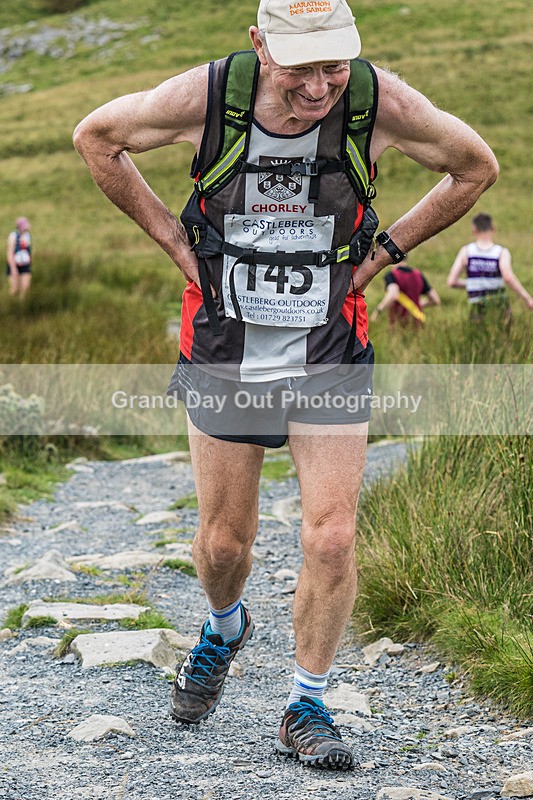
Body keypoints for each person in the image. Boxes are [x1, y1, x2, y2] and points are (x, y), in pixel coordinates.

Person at [73, 0, 498, 771]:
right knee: (223, 544)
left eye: (333, 64)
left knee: (331, 533)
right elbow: (96, 138)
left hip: (330, 340)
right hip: (226, 339)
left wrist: (383, 254)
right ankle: (224, 627)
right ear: (258, 44)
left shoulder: (378, 103)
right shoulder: (207, 98)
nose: (318, 87)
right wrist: (174, 241)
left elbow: (474, 167)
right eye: (300, 66)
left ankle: (305, 701)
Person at [447, 212, 533, 320]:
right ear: (493, 228)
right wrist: (527, 299)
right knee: (503, 335)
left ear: (474, 230)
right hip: (499, 305)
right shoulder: (501, 252)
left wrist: (474, 284)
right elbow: (508, 277)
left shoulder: (466, 251)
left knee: (477, 336)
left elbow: (451, 281)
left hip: (476, 307)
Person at [370, 256, 440, 326]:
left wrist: (378, 310)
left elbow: (393, 294)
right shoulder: (418, 275)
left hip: (398, 322)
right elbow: (435, 300)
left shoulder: (392, 275)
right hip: (417, 321)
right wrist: (417, 305)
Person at [6, 216, 32, 297]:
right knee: (14, 288)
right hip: (14, 264)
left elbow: (28, 251)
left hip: (25, 264)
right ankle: (9, 303)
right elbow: (10, 253)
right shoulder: (13, 236)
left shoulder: (27, 235)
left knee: (25, 287)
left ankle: (22, 305)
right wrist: (13, 268)